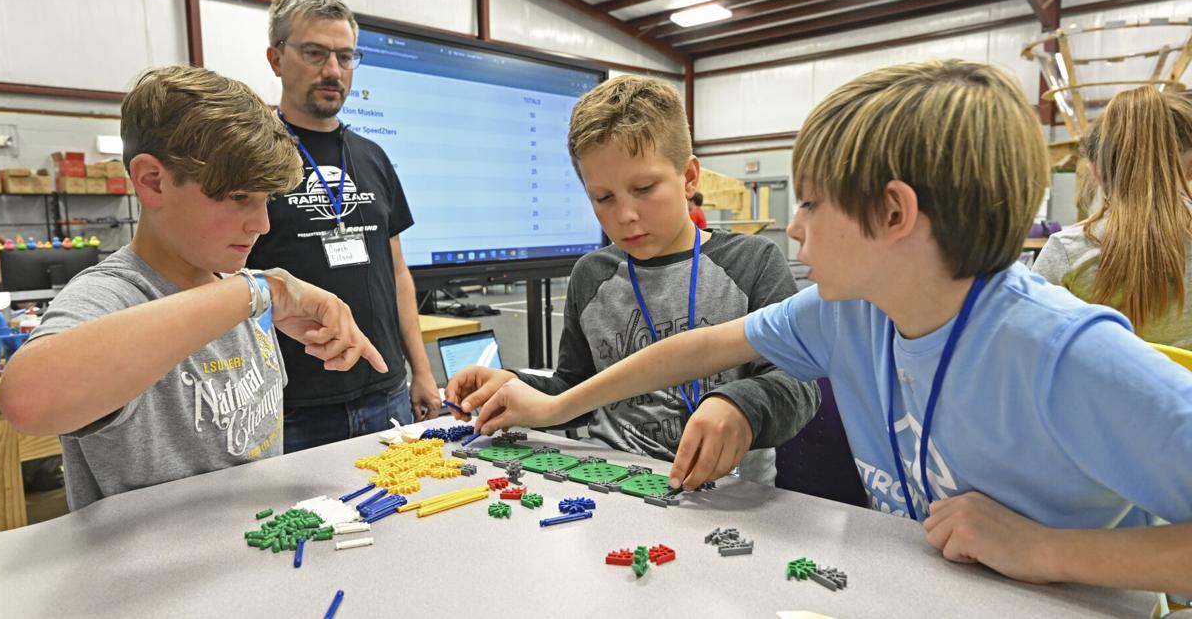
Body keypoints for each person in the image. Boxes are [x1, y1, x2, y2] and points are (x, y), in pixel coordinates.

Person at [463, 60, 1192, 595]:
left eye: (810, 204)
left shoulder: (1065, 353)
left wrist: (1045, 550)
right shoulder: (848, 312)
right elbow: (697, 350)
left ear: (894, 214)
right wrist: (556, 406)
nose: (793, 226)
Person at [0, 66, 386, 510]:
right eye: (240, 198)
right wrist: (260, 290)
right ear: (152, 181)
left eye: (266, 201)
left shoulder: (234, 291)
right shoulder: (116, 295)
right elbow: (28, 400)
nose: (260, 225)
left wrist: (253, 296)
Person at [446, 76, 820, 485]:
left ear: (689, 177)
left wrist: (742, 406)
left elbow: (798, 385)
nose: (624, 216)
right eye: (603, 198)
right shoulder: (591, 276)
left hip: (728, 497)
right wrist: (517, 386)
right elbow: (576, 390)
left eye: (644, 188)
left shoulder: (753, 262)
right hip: (609, 486)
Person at [252, 0, 440, 453]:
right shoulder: (251, 158)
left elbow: (397, 273)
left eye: (345, 56)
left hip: (385, 391)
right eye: (315, 53)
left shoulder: (373, 157)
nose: (332, 70)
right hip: (290, 407)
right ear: (276, 59)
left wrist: (421, 371)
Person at [1034, 86, 1192, 348]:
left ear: (1095, 172)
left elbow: (1032, 342)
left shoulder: (1067, 252)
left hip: (1093, 389)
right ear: (1190, 169)